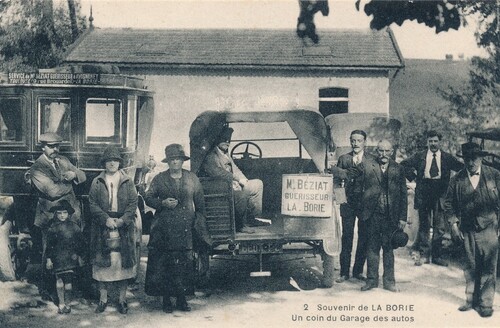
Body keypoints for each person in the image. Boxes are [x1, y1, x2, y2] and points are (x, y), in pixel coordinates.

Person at [333, 139, 407, 292]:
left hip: (390, 216)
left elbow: (403, 195)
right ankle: (371, 281)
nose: (384, 154)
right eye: (381, 151)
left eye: (387, 151)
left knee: (388, 249)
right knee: (372, 248)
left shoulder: (398, 169)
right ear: (377, 151)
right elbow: (350, 173)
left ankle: (389, 282)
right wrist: (333, 170)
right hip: (372, 215)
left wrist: (402, 217)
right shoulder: (367, 164)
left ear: (392, 152)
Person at [144, 144, 210, 313]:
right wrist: (162, 203)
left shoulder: (192, 178)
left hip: (186, 228)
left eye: (178, 159)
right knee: (166, 265)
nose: (175, 162)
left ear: (182, 161)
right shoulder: (159, 178)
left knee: (185, 265)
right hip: (164, 229)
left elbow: (201, 204)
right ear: (168, 162)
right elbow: (148, 197)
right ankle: (166, 300)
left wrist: (198, 224)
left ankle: (182, 299)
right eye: (172, 159)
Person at [443, 142, 499, 318]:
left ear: (481, 158)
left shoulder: (494, 175)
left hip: (489, 228)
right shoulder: (456, 179)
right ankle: (470, 300)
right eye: (468, 158)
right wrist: (453, 224)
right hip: (466, 230)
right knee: (469, 265)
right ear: (464, 159)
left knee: (489, 267)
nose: (471, 162)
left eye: (475, 158)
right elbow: (448, 204)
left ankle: (486, 303)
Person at [29, 132, 86, 300]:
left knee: (73, 251)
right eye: (51, 147)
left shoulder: (63, 161)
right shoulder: (37, 168)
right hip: (50, 219)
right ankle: (48, 290)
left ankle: (74, 289)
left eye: (57, 146)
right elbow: (52, 192)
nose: (55, 149)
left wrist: (74, 175)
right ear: (43, 147)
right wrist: (69, 185)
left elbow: (82, 175)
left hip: (70, 219)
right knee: (50, 253)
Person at [401, 130, 463, 266]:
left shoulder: (447, 157)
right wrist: (413, 177)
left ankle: (437, 256)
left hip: (441, 193)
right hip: (424, 193)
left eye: (435, 141)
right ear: (427, 142)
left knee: (440, 226)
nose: (433, 144)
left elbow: (461, 168)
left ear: (440, 142)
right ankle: (424, 255)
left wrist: (454, 182)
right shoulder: (420, 156)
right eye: (431, 141)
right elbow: (403, 164)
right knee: (424, 225)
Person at [89, 146, 138, 315]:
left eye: (115, 161)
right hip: (103, 226)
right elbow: (92, 204)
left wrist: (123, 220)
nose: (112, 163)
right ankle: (103, 300)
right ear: (104, 163)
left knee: (122, 264)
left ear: (119, 163)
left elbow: (133, 203)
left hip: (123, 226)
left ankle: (122, 300)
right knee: (103, 264)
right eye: (109, 161)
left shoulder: (127, 181)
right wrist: (106, 219)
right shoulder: (97, 181)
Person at [201, 127, 265, 233]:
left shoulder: (226, 155)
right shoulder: (211, 156)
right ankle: (241, 225)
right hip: (219, 187)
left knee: (257, 184)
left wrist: (243, 180)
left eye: (228, 140)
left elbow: (235, 169)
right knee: (241, 194)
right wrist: (233, 181)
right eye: (224, 140)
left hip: (230, 184)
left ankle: (253, 218)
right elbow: (217, 173)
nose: (227, 142)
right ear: (217, 140)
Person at [335, 130, 373, 283]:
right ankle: (344, 272)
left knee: (364, 237)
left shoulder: (372, 160)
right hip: (348, 203)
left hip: (365, 204)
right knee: (347, 237)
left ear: (365, 142)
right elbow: (337, 182)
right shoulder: (344, 159)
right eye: (353, 140)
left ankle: (358, 271)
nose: (356, 143)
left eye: (359, 140)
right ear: (350, 141)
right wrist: (341, 200)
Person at [45, 200, 84, 314]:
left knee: (68, 282)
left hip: (70, 258)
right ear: (56, 214)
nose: (62, 215)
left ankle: (67, 303)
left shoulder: (74, 227)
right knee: (59, 280)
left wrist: (80, 256)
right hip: (58, 259)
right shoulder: (52, 229)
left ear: (68, 214)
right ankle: (61, 304)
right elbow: (49, 246)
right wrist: (48, 259)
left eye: (64, 213)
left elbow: (80, 243)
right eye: (59, 213)